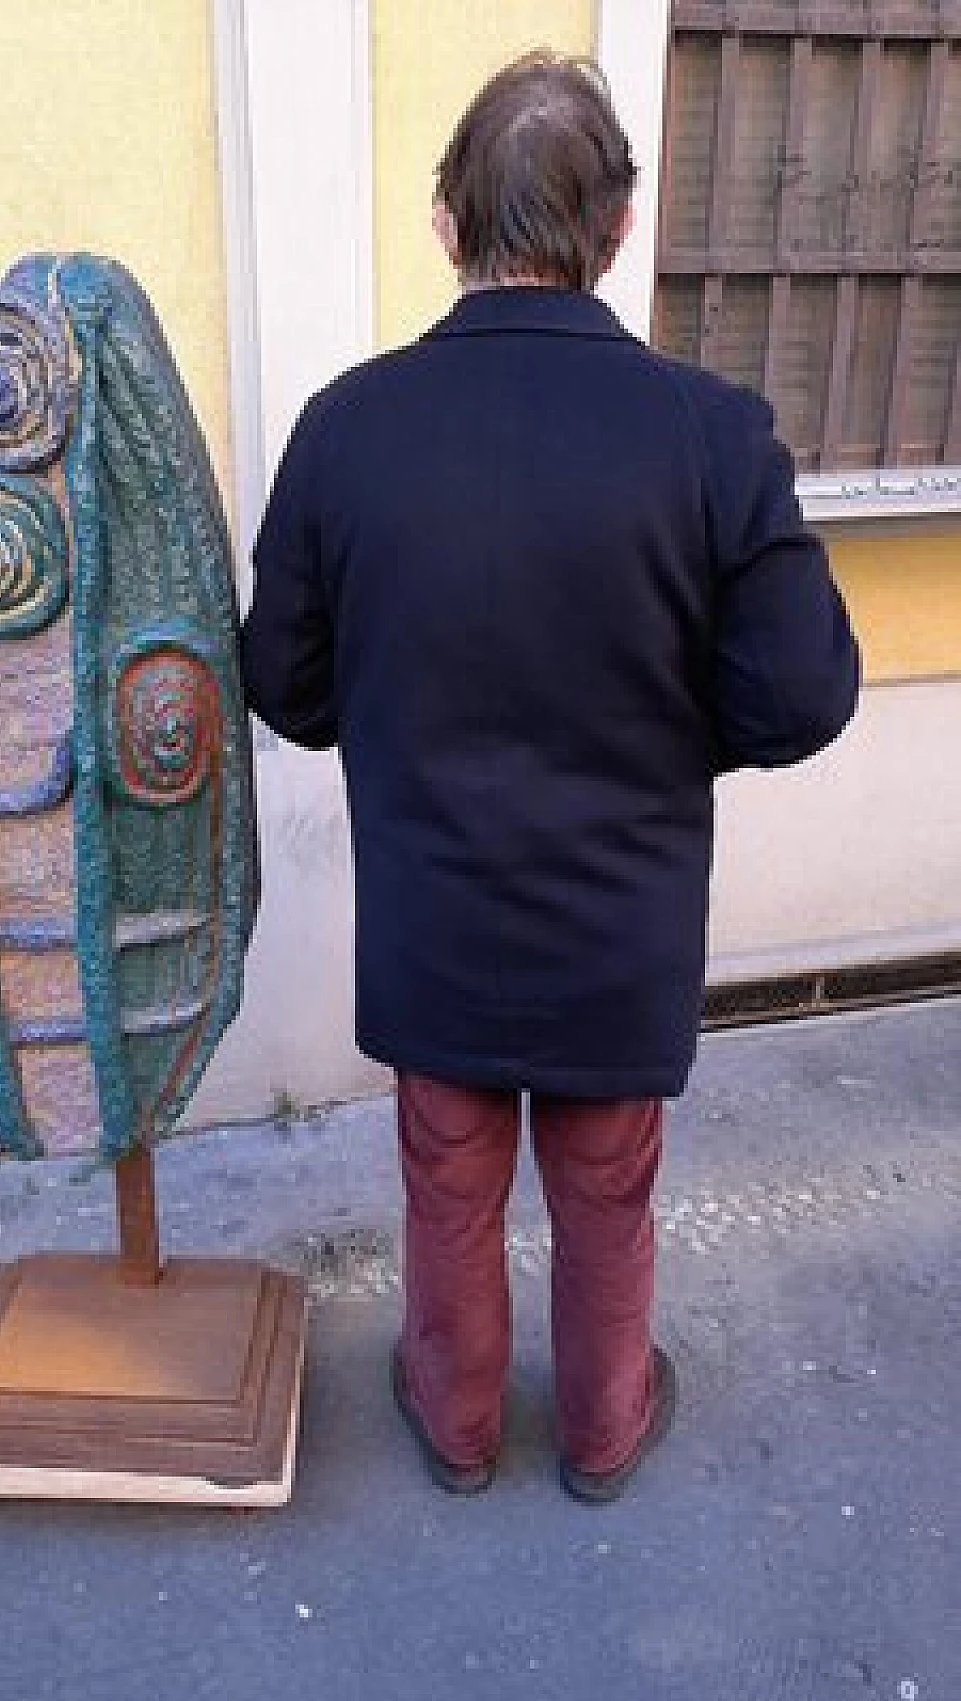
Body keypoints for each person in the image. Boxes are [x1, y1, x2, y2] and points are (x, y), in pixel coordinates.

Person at [240, 53, 860, 1501]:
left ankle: (457, 1424)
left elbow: (284, 682)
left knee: (446, 1183)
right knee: (607, 1188)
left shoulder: (347, 428)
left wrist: (400, 710)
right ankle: (603, 1427)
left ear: (447, 226)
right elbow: (805, 692)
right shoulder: (713, 435)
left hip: (435, 920)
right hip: (618, 920)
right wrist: (661, 725)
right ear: (620, 229)